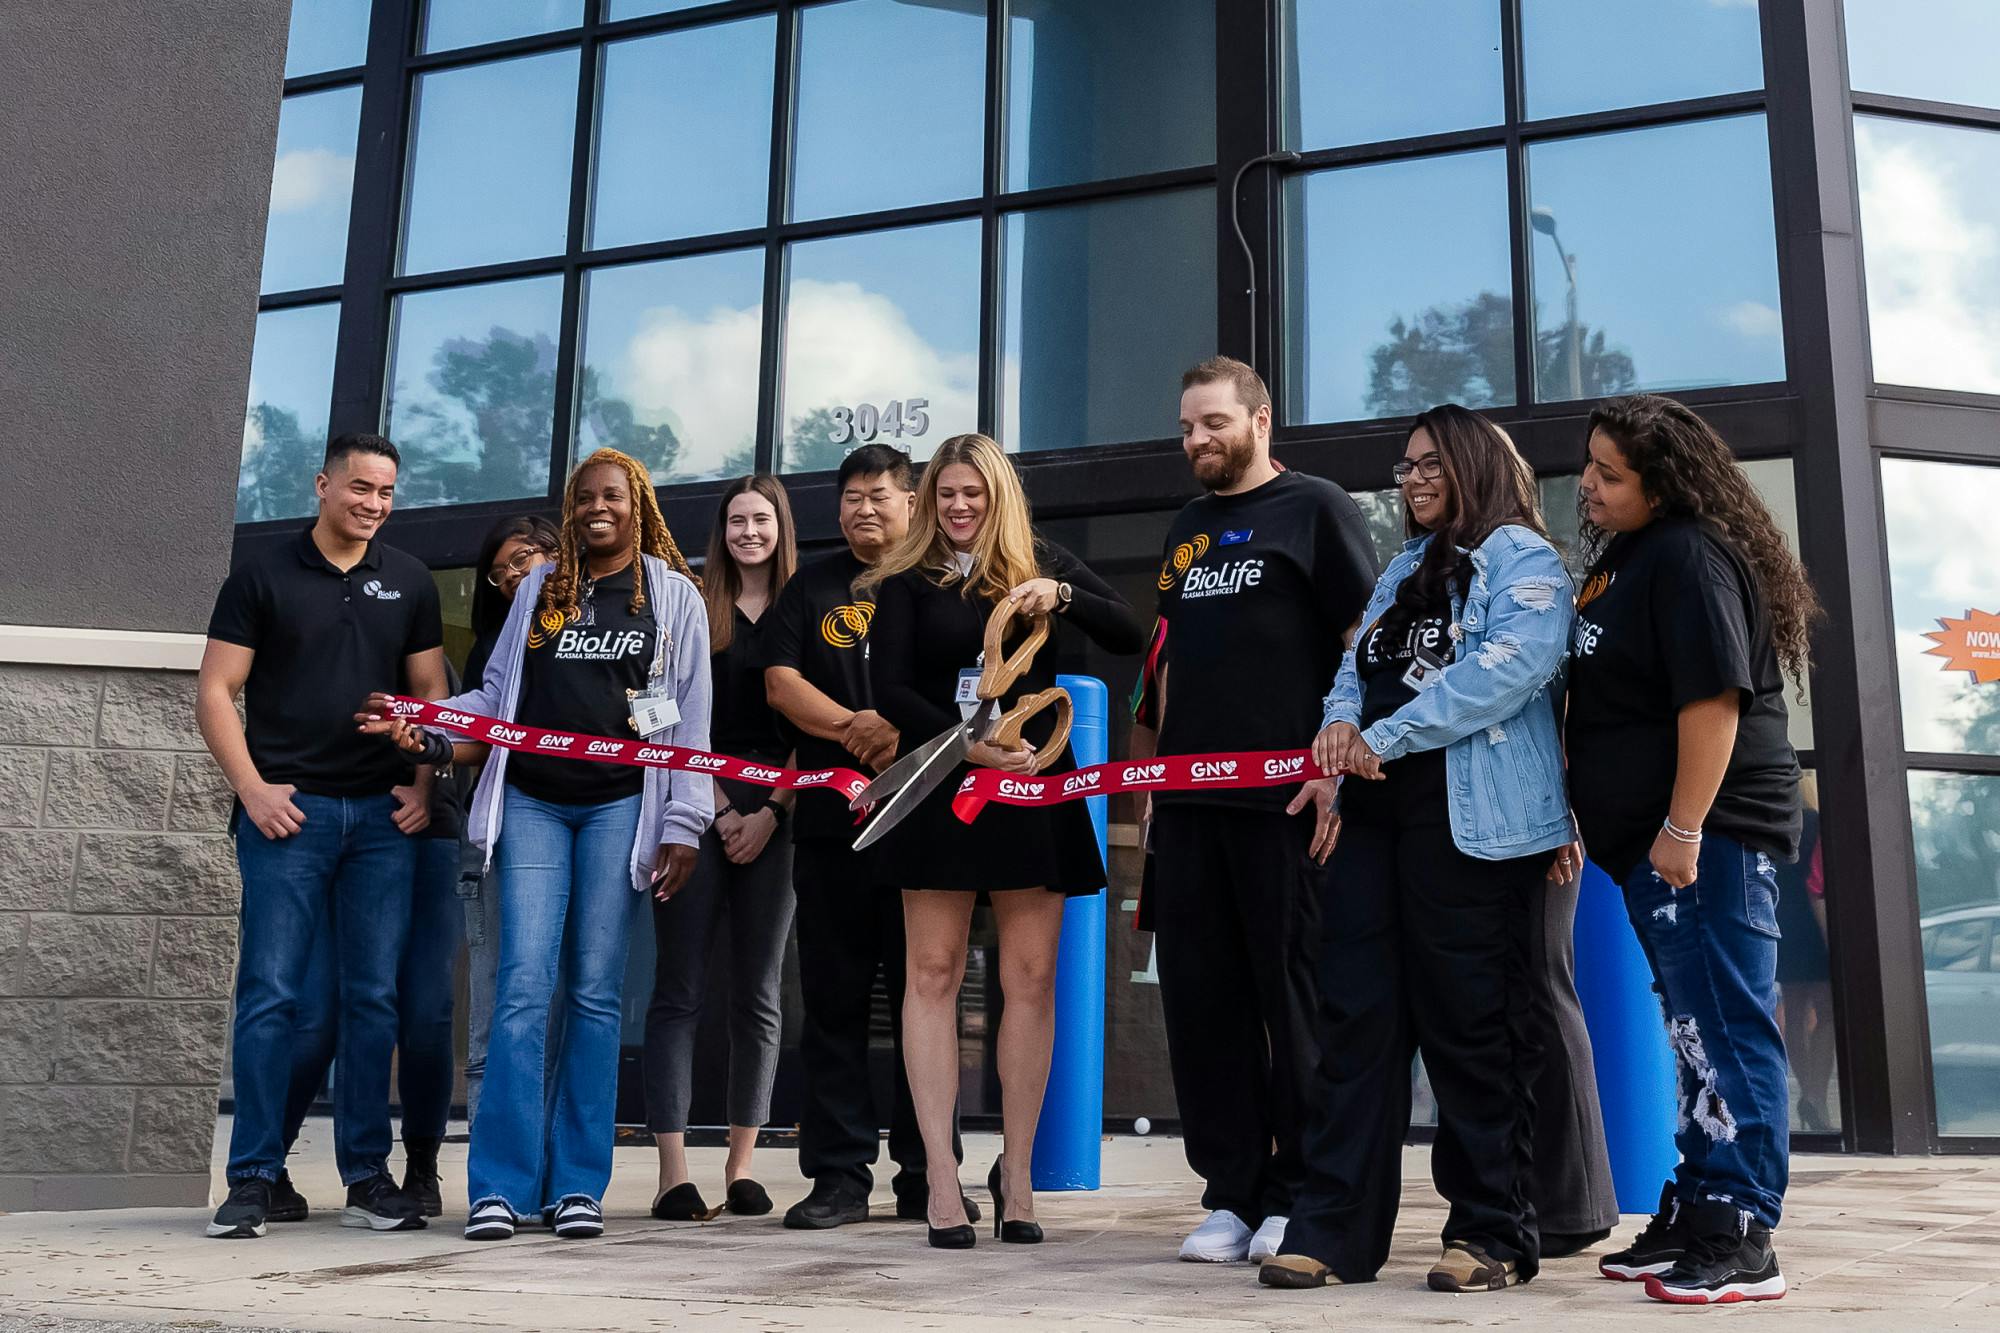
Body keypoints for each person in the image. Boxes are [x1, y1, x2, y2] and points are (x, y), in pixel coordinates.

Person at [1262, 405, 1577, 1293]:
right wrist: (1335, 729)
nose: (1414, 480)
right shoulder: (1402, 565)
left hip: (1471, 826)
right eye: (1405, 468)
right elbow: (1351, 667)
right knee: (1355, 1023)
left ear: (1476, 463)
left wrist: (1382, 738)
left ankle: (1492, 1234)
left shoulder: (1525, 558)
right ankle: (1331, 1231)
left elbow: (1512, 666)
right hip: (1372, 821)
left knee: (1472, 1026)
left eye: (1431, 463)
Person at [366, 447, 712, 1242]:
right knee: (522, 987)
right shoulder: (538, 590)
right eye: (584, 496)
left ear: (639, 505)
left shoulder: (673, 599)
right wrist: (426, 721)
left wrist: (683, 822)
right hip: (531, 802)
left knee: (593, 992)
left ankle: (576, 1185)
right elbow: (494, 698)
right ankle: (500, 1185)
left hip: (622, 807)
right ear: (570, 508)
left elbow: (689, 717)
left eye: (613, 496)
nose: (598, 507)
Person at [860, 433, 1145, 1248]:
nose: (957, 507)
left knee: (1030, 977)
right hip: (945, 790)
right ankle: (943, 1184)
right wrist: (963, 743)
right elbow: (891, 691)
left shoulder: (1039, 559)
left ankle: (1017, 1174)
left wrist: (1063, 593)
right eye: (946, 493)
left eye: (973, 494)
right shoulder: (906, 578)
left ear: (999, 498)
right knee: (933, 972)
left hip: (1031, 786)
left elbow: (1127, 630)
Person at [1566, 394, 1813, 1305]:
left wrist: (1681, 829)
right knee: (1692, 1028)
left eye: (1610, 473)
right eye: (1589, 464)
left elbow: (1713, 702)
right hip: (1651, 847)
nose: (1588, 483)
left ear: (1662, 484)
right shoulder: (1627, 557)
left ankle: (1745, 1228)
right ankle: (1705, 1195)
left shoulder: (1691, 556)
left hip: (1709, 841)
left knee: (1728, 1024)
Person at [1148, 357, 1376, 1265]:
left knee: (1295, 1002)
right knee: (1204, 1003)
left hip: (1289, 803)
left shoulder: (1318, 508)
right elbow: (1167, 668)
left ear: (1260, 420)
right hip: (1190, 806)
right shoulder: (1185, 527)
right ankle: (1233, 1193)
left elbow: (1364, 645)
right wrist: (1157, 787)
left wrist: (1340, 766)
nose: (1198, 440)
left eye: (1213, 423)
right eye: (1187, 428)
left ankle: (1299, 1191)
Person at [196, 432, 446, 1239]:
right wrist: (252, 787)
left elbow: (431, 697)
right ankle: (254, 1180)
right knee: (272, 996)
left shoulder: (408, 579)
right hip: (289, 817)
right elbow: (215, 690)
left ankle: (367, 1178)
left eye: (386, 492)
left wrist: (418, 783)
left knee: (373, 999)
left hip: (380, 819)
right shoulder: (262, 575)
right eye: (361, 487)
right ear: (324, 484)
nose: (374, 503)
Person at [762, 443, 974, 1229]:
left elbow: (971, 685)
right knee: (835, 1003)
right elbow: (780, 682)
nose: (863, 509)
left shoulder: (941, 578)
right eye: (851, 496)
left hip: (926, 825)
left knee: (930, 994)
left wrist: (901, 722)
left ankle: (930, 1172)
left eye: (879, 495)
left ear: (913, 501)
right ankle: (839, 1176)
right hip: (831, 827)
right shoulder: (810, 583)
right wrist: (859, 725)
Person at [645, 476, 799, 1220]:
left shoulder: (806, 605)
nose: (747, 530)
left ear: (780, 527)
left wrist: (769, 809)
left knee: (758, 994)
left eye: (760, 518)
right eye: (736, 519)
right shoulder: (689, 604)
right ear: (721, 529)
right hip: (692, 810)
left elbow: (815, 729)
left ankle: (742, 1164)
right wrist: (714, 804)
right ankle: (674, 1170)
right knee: (678, 989)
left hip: (778, 820)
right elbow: (660, 713)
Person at [462, 515, 560, 1126]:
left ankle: (551, 1164)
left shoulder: (596, 628)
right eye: (504, 570)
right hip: (501, 832)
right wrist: (427, 731)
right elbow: (479, 730)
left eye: (528, 558)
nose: (518, 576)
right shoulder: (487, 654)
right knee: (498, 994)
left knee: (563, 1000)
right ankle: (490, 1168)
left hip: (588, 826)